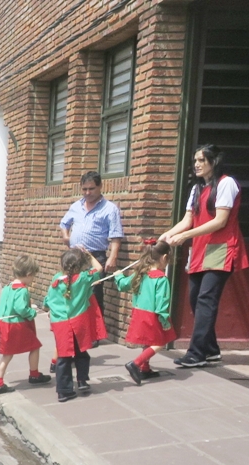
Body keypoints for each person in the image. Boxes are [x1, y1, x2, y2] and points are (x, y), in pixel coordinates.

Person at [161, 144, 248, 368]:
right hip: (200, 248)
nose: (196, 164)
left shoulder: (226, 183)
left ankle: (196, 353)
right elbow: (187, 220)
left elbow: (220, 221)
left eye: (201, 160)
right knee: (195, 299)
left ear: (214, 161)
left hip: (221, 248)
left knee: (205, 300)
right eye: (195, 160)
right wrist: (167, 235)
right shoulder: (197, 188)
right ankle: (210, 350)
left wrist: (185, 236)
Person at [58, 172, 123, 328]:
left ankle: (94, 332)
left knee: (93, 295)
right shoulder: (76, 206)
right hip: (75, 258)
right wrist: (66, 236)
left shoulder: (110, 209)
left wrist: (113, 257)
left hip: (95, 257)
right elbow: (64, 223)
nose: (87, 193)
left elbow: (116, 235)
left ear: (100, 186)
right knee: (73, 292)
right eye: (84, 189)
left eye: (91, 189)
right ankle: (74, 327)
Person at [43, 248, 103, 403]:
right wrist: (89, 255)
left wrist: (49, 309)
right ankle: (82, 381)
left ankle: (64, 391)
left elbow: (47, 300)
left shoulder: (56, 279)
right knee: (82, 352)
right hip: (78, 321)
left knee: (63, 357)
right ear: (80, 265)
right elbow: (99, 268)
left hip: (60, 323)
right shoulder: (83, 278)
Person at [115, 240, 176, 385]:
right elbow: (162, 303)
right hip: (153, 315)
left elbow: (123, 285)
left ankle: (145, 368)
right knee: (159, 343)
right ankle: (136, 363)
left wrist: (118, 275)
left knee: (148, 341)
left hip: (139, 313)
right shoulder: (161, 278)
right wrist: (165, 321)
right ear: (164, 257)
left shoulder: (140, 274)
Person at [0, 255, 51, 395]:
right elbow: (21, 309)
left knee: (6, 354)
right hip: (15, 326)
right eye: (33, 276)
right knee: (34, 347)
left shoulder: (7, 287)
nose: (33, 279)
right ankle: (33, 375)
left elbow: (0, 306)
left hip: (3, 323)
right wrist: (32, 312)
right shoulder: (22, 290)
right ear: (28, 274)